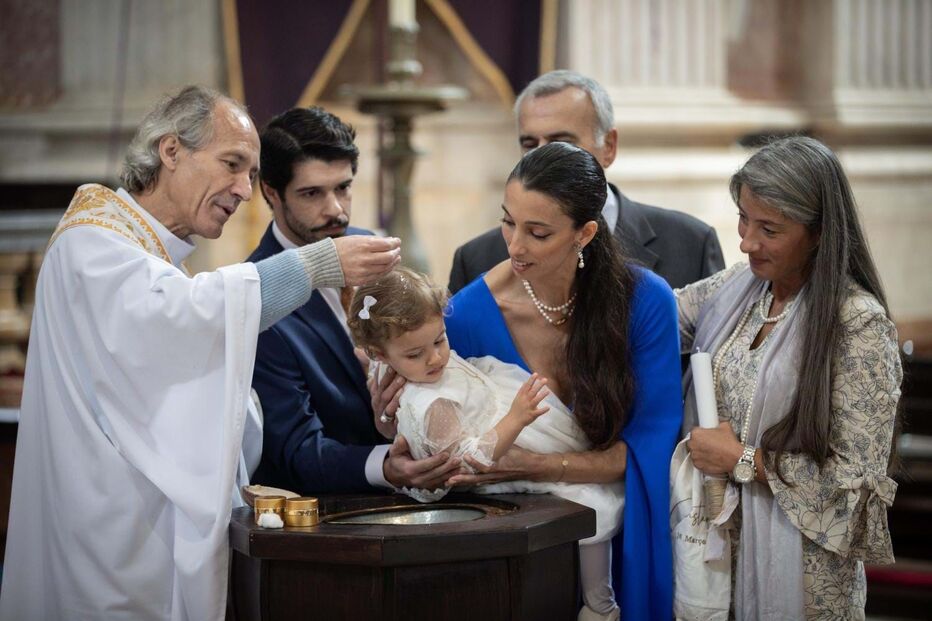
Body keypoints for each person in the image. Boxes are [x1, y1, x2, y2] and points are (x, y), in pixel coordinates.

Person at [0, 86, 400, 621]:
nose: (243, 190)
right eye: (232, 164)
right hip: (110, 533)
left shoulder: (141, 252)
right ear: (171, 151)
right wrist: (315, 265)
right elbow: (189, 315)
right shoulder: (92, 247)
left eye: (251, 174)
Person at [438, 142, 683, 620]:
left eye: (538, 233)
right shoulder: (465, 316)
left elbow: (650, 450)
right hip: (515, 550)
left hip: (624, 536)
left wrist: (536, 464)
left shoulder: (646, 301)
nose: (515, 246)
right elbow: (450, 441)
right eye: (507, 222)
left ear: (585, 233)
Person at [680, 136, 901, 619]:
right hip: (718, 551)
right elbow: (657, 316)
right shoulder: (740, 288)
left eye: (770, 229)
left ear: (819, 232)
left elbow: (853, 483)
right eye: (743, 218)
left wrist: (740, 458)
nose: (746, 242)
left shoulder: (857, 323)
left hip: (804, 575)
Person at [347, 267, 626, 619]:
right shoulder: (432, 402)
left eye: (440, 340)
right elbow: (468, 462)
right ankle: (600, 604)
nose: (435, 358)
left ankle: (598, 599)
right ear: (381, 354)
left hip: (494, 414)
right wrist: (516, 418)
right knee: (590, 502)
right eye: (415, 354)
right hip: (498, 454)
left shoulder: (411, 363)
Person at [247, 106, 460, 496]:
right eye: (312, 193)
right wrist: (386, 466)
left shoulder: (375, 248)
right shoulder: (255, 296)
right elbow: (296, 451)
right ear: (271, 192)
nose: (336, 209)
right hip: (330, 513)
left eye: (343, 188)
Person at [448, 69, 723, 293]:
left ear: (609, 146)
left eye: (562, 142)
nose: (543, 156)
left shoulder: (691, 244)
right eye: (530, 144)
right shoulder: (477, 260)